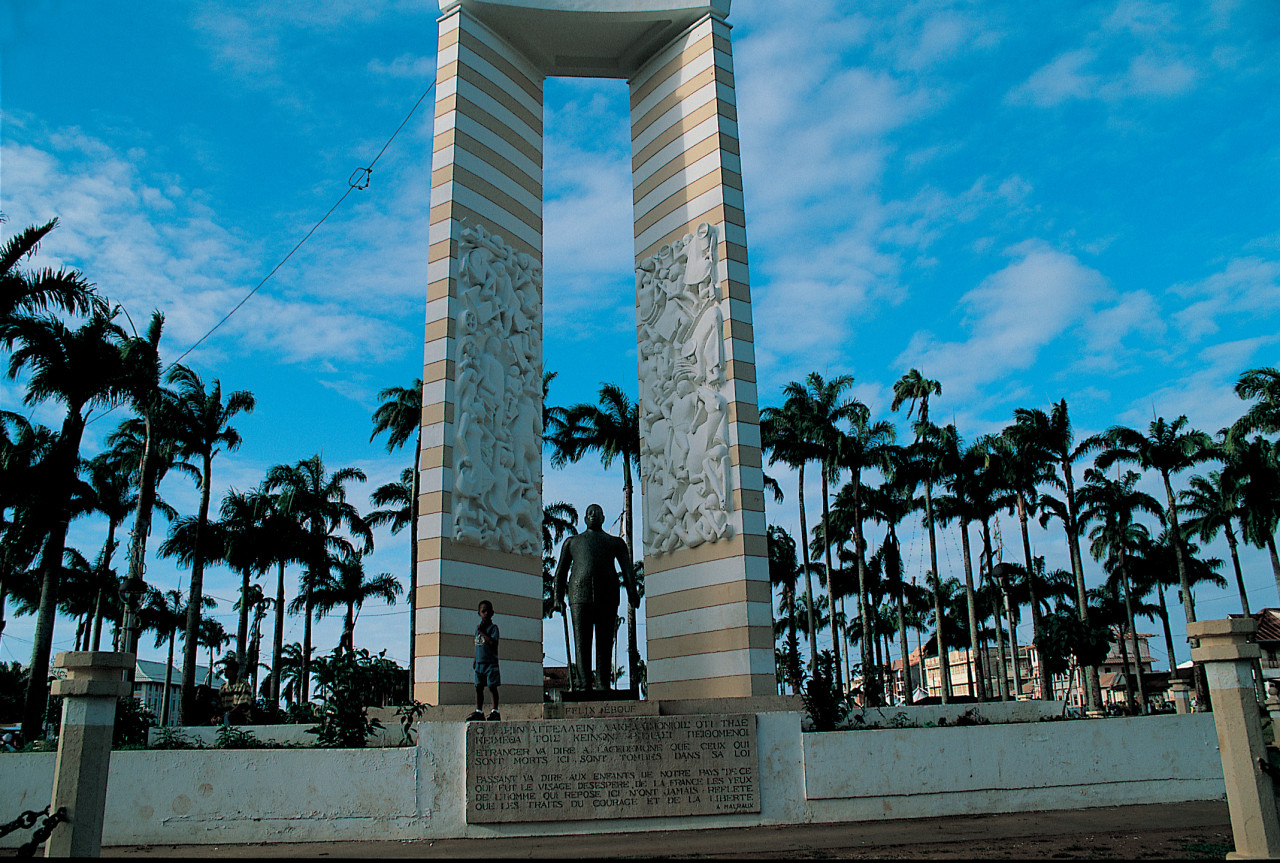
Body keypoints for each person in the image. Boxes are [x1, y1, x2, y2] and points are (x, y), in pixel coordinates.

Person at [554, 504, 640, 691]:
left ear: (603, 518)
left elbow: (627, 570)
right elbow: (560, 572)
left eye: (598, 513)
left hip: (608, 595)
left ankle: (603, 682)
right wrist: (557, 597)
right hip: (579, 595)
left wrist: (632, 593)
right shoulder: (572, 542)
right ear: (585, 519)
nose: (594, 515)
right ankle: (583, 681)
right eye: (590, 513)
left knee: (605, 641)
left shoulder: (615, 543)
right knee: (581, 641)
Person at [469, 599, 501, 721]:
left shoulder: (493, 628)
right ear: (479, 613)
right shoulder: (476, 630)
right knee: (478, 687)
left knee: (492, 687)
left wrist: (483, 632)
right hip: (479, 663)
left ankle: (495, 710)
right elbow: (477, 645)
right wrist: (475, 659)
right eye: (483, 611)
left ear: (492, 613)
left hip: (490, 663)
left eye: (488, 611)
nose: (486, 613)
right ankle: (479, 710)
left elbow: (493, 642)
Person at [217, 656, 254, 725]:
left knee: (230, 717)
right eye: (224, 670)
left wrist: (226, 715)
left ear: (234, 671)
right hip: (225, 717)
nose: (224, 672)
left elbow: (242, 706)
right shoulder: (222, 688)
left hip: (241, 719)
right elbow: (219, 707)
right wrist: (217, 717)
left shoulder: (243, 685)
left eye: (227, 670)